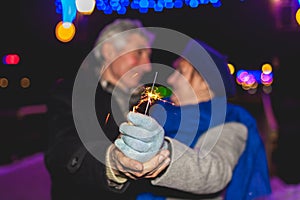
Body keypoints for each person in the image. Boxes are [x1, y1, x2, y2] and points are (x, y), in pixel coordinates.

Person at [44, 18, 250, 200]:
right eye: (139, 53)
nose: (148, 65)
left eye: (148, 56)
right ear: (108, 51)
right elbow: (63, 151)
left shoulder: (150, 105)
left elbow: (211, 171)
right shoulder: (73, 94)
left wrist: (161, 154)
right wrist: (112, 162)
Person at [143, 39, 272, 199]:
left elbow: (210, 171)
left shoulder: (232, 121)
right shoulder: (161, 119)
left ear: (205, 82)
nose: (170, 80)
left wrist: (157, 154)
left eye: (181, 72)